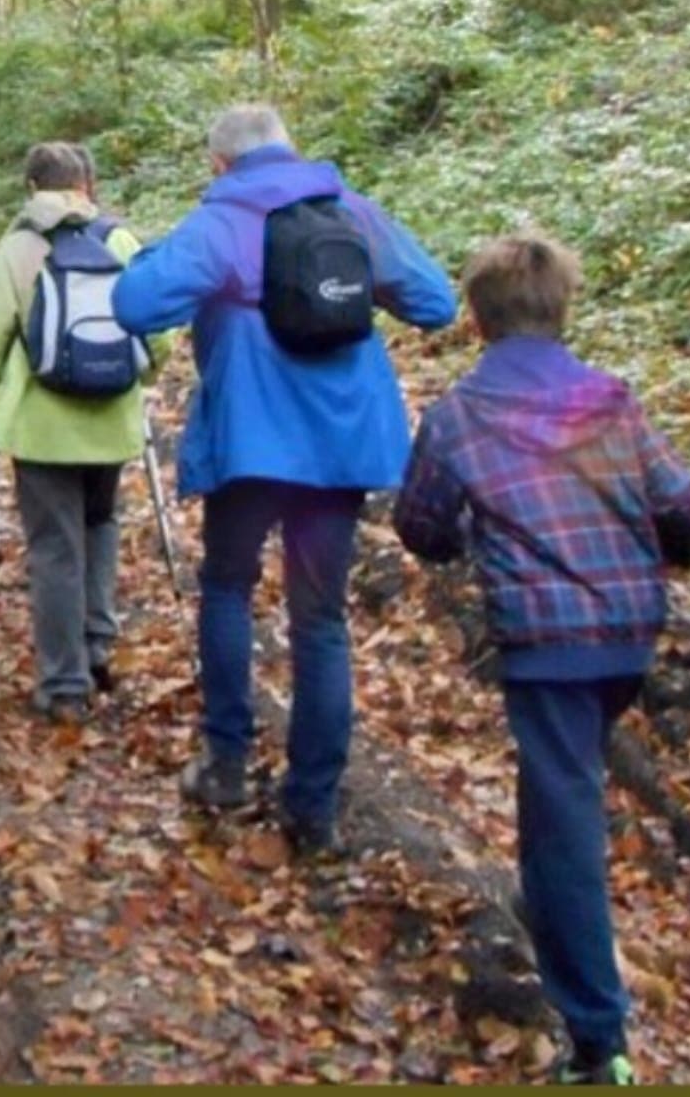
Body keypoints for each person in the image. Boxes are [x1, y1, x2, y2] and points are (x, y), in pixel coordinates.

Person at [394, 234, 690, 1088]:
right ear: (564, 308)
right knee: (561, 789)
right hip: (627, 629)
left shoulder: (461, 412)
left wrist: (472, 532)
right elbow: (684, 510)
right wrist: (666, 549)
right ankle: (553, 907)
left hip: (546, 642)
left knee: (565, 812)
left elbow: (419, 528)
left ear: (476, 319)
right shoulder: (610, 399)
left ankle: (599, 1041)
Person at [110, 103, 455, 850]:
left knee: (228, 589)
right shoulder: (354, 213)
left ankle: (228, 764)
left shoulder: (222, 223)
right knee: (321, 619)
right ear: (293, 151)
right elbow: (436, 303)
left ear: (219, 165)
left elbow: (134, 305)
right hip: (339, 449)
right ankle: (311, 808)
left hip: (253, 445)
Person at [0, 141, 151, 724]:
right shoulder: (119, 240)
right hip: (111, 420)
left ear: (31, 188)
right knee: (100, 524)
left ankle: (64, 685)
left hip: (42, 428)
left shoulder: (18, 249)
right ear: (84, 185)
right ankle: (97, 645)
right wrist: (147, 372)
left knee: (55, 548)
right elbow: (155, 329)